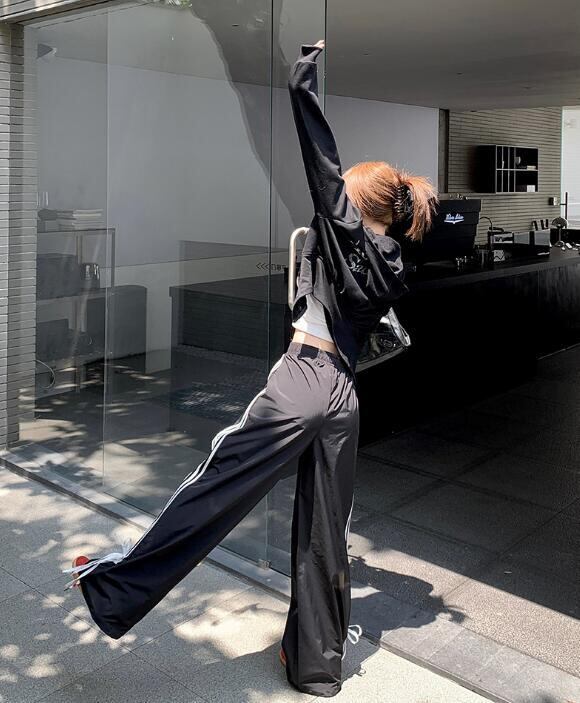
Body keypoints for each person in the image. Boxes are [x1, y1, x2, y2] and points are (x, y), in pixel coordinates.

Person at [66, 41, 436, 698]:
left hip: (302, 378)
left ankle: (114, 588)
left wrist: (303, 80)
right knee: (326, 531)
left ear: (359, 205)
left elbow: (321, 164)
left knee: (215, 486)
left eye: (346, 196)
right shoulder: (393, 260)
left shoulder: (346, 231)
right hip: (343, 395)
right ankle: (317, 666)